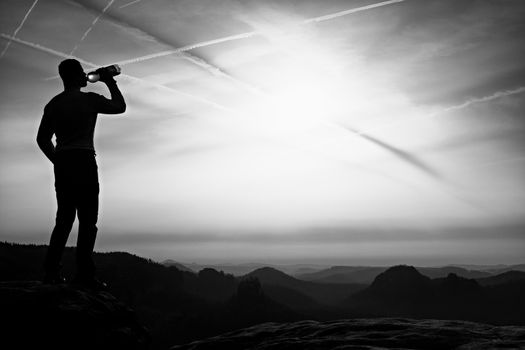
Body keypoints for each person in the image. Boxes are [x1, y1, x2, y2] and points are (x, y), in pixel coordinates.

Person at [37, 59, 126, 289]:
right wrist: (109, 81)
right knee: (88, 221)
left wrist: (57, 159)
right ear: (76, 75)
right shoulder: (89, 100)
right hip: (84, 159)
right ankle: (84, 276)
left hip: (64, 161)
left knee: (64, 220)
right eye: (81, 72)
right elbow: (119, 106)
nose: (86, 75)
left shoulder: (53, 104)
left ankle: (51, 272)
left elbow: (42, 139)